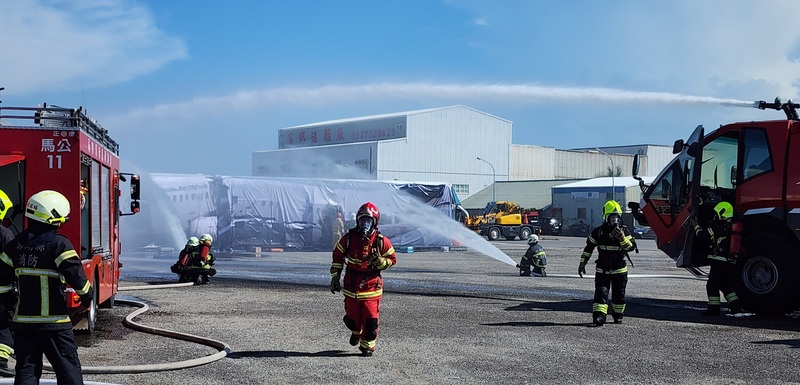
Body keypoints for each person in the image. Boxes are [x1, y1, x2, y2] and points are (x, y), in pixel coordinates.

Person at [0, 190, 93, 384]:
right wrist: (87, 298)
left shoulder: (14, 245)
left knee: (26, 373)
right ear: (54, 216)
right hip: (55, 324)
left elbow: (1, 281)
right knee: (68, 372)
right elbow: (78, 279)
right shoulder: (60, 245)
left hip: (24, 324)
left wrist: (10, 307)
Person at [330, 202, 396, 356]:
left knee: (371, 320)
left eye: (368, 220)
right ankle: (356, 331)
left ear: (374, 222)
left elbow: (392, 259)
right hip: (351, 286)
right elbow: (337, 257)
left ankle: (367, 346)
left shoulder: (381, 241)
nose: (365, 224)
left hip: (371, 287)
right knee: (352, 320)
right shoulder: (348, 239)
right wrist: (335, 277)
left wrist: (381, 262)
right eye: (362, 220)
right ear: (358, 221)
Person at [578, 200, 637, 326]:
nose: (614, 220)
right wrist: (582, 263)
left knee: (619, 295)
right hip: (602, 269)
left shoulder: (625, 232)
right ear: (606, 218)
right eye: (612, 217)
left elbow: (631, 248)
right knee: (601, 293)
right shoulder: (598, 232)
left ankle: (618, 316)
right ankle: (599, 317)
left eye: (617, 217)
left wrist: (622, 238)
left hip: (619, 270)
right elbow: (588, 247)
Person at [692, 201, 743, 316]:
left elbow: (702, 236)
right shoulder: (732, 227)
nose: (715, 215)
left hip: (719, 260)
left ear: (721, 213)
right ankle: (736, 308)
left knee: (712, 285)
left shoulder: (718, 227)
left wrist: (695, 225)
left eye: (716, 213)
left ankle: (713, 310)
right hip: (730, 261)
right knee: (726, 286)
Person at [0, 190, 14, 377]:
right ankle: (1, 362)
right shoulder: (5, 234)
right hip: (2, 292)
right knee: (3, 327)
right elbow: (13, 262)